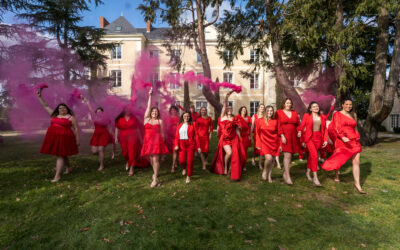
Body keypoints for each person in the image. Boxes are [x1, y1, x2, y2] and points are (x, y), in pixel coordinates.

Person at [321, 99, 365, 194]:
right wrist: (342, 137)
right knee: (340, 157)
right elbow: (337, 126)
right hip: (342, 139)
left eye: (350, 104)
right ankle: (336, 174)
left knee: (356, 161)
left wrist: (358, 136)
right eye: (347, 104)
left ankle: (357, 184)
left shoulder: (353, 115)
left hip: (354, 139)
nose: (349, 106)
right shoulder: (337, 114)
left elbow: (355, 127)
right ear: (342, 105)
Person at [37, 88, 79, 182]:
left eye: (63, 108)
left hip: (65, 137)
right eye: (60, 108)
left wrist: (78, 139)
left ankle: (57, 176)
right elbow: (45, 106)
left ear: (67, 109)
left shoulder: (71, 117)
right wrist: (40, 97)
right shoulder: (54, 115)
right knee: (62, 154)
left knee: (60, 155)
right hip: (54, 137)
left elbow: (76, 128)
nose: (61, 109)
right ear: (58, 109)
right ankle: (68, 168)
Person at [210, 90, 245, 180]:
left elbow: (237, 129)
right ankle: (225, 167)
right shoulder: (223, 117)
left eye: (230, 108)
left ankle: (230, 169)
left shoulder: (234, 118)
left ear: (232, 110)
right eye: (228, 109)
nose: (229, 110)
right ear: (225, 110)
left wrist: (240, 138)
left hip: (233, 138)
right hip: (225, 139)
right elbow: (224, 106)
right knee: (229, 153)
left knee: (234, 155)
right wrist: (227, 97)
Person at [141, 88, 169, 188]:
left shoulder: (160, 121)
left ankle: (155, 179)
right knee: (151, 160)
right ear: (151, 113)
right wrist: (150, 95)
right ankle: (155, 173)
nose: (155, 113)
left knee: (156, 160)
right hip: (148, 142)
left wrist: (163, 143)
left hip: (157, 142)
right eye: (153, 112)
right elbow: (148, 107)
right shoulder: (146, 119)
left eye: (156, 112)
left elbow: (162, 133)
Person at [299, 102, 329, 186]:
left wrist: (326, 140)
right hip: (309, 139)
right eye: (314, 106)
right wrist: (303, 140)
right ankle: (315, 177)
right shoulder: (306, 116)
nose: (316, 107)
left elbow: (325, 129)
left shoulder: (322, 117)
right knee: (315, 156)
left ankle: (308, 173)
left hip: (319, 138)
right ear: (310, 109)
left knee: (312, 157)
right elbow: (301, 127)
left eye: (317, 106)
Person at [82, 97, 114, 171]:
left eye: (100, 111)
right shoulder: (94, 117)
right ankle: (100, 155)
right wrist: (87, 102)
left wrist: (113, 136)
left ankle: (101, 165)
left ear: (102, 112)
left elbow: (109, 128)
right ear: (96, 112)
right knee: (94, 151)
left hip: (104, 134)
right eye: (98, 111)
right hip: (96, 135)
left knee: (100, 150)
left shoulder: (106, 118)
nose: (99, 112)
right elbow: (90, 109)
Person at [276, 98, 301, 185]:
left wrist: (299, 131)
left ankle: (285, 173)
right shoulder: (279, 112)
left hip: (293, 136)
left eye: (290, 103)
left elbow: (298, 124)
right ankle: (288, 176)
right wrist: (282, 135)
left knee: (290, 155)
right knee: (287, 155)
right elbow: (278, 125)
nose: (288, 104)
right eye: (287, 103)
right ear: (284, 104)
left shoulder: (294, 112)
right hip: (284, 136)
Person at [174, 112, 202, 183]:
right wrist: (176, 145)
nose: (186, 117)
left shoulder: (193, 124)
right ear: (182, 117)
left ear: (189, 117)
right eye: (185, 116)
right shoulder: (179, 124)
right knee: (181, 160)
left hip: (190, 144)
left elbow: (196, 136)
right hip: (181, 144)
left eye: (188, 116)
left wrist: (198, 147)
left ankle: (188, 176)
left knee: (190, 161)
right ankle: (184, 168)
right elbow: (177, 136)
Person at [115, 105, 142, 177]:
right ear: (124, 110)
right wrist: (115, 138)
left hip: (133, 136)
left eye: (129, 109)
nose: (128, 111)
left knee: (132, 152)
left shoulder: (134, 118)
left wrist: (140, 139)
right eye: (126, 109)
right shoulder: (119, 119)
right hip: (123, 136)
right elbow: (117, 128)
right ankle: (128, 161)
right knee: (125, 152)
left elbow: (137, 129)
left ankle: (131, 168)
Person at [256, 105, 280, 183]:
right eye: (268, 111)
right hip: (265, 143)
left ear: (273, 112)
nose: (270, 112)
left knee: (272, 160)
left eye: (271, 111)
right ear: (265, 112)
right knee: (268, 159)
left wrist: (280, 145)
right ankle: (265, 171)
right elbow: (257, 133)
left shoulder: (276, 121)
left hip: (274, 143)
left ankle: (269, 175)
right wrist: (258, 144)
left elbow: (279, 133)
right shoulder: (260, 120)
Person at [164, 105, 180, 173]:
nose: (173, 111)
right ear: (170, 111)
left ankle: (173, 166)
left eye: (174, 110)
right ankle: (175, 161)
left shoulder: (179, 118)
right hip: (169, 136)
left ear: (177, 111)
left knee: (175, 150)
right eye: (172, 110)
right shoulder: (167, 118)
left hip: (176, 136)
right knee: (171, 151)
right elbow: (164, 127)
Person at [236, 106, 252, 171]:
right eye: (243, 109)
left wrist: (249, 135)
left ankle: (244, 165)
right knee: (240, 151)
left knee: (245, 151)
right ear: (240, 110)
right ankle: (239, 164)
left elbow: (250, 127)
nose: (244, 111)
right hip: (239, 135)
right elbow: (235, 125)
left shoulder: (248, 118)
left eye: (245, 110)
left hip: (246, 136)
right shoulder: (237, 117)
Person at [251, 104, 265, 170]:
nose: (262, 108)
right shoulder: (254, 116)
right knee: (255, 147)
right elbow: (252, 125)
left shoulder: (265, 116)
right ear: (258, 108)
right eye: (261, 107)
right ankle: (253, 159)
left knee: (262, 149)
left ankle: (260, 164)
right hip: (256, 134)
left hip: (263, 134)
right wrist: (250, 133)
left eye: (263, 107)